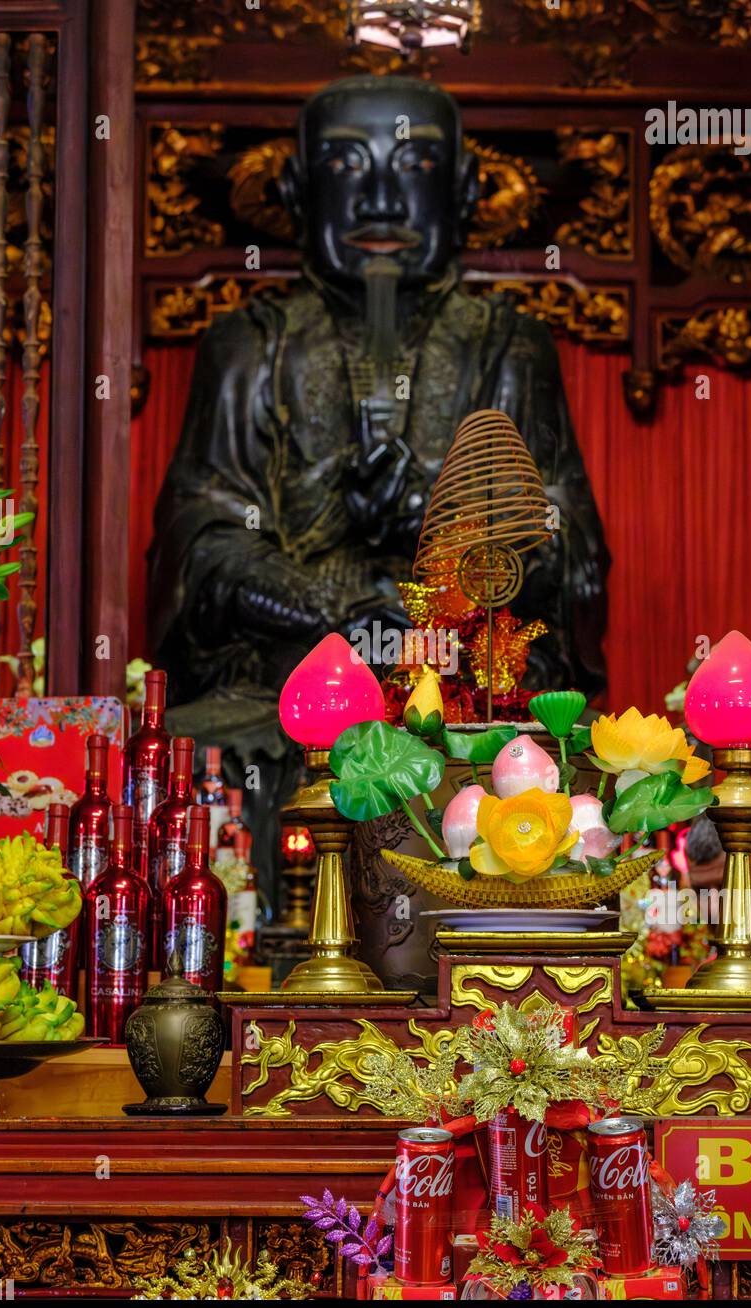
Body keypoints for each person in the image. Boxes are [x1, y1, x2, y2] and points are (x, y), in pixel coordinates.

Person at [147, 74, 610, 908]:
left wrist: (448, 535)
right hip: (287, 689)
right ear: (296, 190)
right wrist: (331, 598)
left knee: (525, 744)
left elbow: (569, 546)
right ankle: (266, 933)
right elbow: (200, 543)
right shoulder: (249, 347)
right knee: (205, 745)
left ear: (465, 191)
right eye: (348, 167)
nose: (384, 197)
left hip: (458, 679)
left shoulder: (508, 347)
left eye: (418, 166)